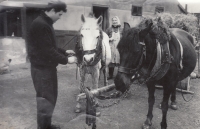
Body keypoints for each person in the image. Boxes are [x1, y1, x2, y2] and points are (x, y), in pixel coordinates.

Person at [27, 1, 77, 129]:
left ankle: (46, 126)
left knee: (50, 99)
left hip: (47, 70)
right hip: (42, 71)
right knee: (45, 101)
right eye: (59, 14)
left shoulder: (45, 23)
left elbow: (50, 46)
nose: (60, 17)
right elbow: (47, 51)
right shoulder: (41, 25)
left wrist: (65, 51)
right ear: (53, 10)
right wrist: (67, 60)